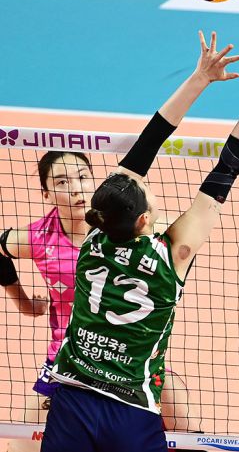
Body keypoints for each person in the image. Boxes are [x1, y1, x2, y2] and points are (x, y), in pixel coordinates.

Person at [39, 31, 239, 452]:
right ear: (144, 218)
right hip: (131, 409)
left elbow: (146, 145)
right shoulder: (172, 255)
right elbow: (226, 169)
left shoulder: (92, 239)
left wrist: (199, 78)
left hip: (73, 398)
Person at [0, 152, 199, 452]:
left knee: (189, 430)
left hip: (129, 364)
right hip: (68, 365)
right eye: (62, 182)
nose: (76, 188)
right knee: (19, 446)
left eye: (83, 177)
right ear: (46, 193)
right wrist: (24, 304)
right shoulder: (40, 238)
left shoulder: (131, 227)